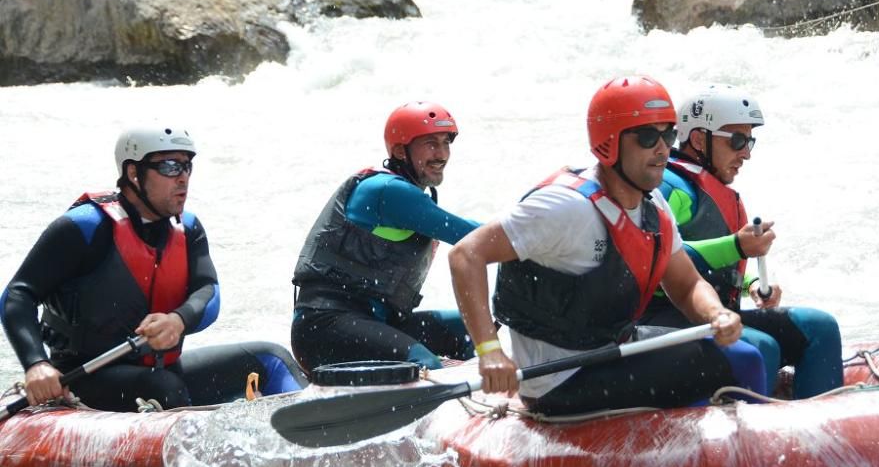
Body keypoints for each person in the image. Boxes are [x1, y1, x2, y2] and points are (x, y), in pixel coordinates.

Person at [448, 76, 767, 414]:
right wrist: (489, 351)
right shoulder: (566, 208)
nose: (662, 148)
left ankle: (714, 454)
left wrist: (714, 313)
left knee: (745, 355)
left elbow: (686, 285)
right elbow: (466, 254)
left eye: (668, 134)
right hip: (559, 379)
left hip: (612, 350)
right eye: (648, 137)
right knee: (723, 364)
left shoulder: (654, 206)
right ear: (610, 143)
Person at [0, 127, 306, 412]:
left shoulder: (188, 229)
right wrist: (36, 364)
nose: (183, 178)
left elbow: (208, 292)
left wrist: (178, 320)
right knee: (163, 387)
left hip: (164, 371)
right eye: (170, 167)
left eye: (187, 166)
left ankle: (317, 437)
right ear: (134, 173)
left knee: (269, 359)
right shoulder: (85, 228)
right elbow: (18, 295)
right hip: (84, 378)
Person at [642, 84, 843, 398]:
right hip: (665, 321)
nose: (746, 153)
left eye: (750, 141)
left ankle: (825, 434)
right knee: (761, 347)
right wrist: (736, 246)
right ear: (698, 139)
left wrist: (750, 282)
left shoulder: (720, 192)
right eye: (737, 140)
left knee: (820, 327)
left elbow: (720, 263)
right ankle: (751, 441)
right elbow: (656, 257)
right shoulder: (668, 186)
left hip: (721, 316)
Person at [291, 101, 479, 375]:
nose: (441, 154)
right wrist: (538, 236)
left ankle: (490, 402)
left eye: (445, 143)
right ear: (401, 150)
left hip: (377, 322)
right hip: (325, 328)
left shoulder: (408, 192)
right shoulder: (387, 191)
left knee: (473, 327)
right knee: (425, 366)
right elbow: (471, 235)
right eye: (430, 144)